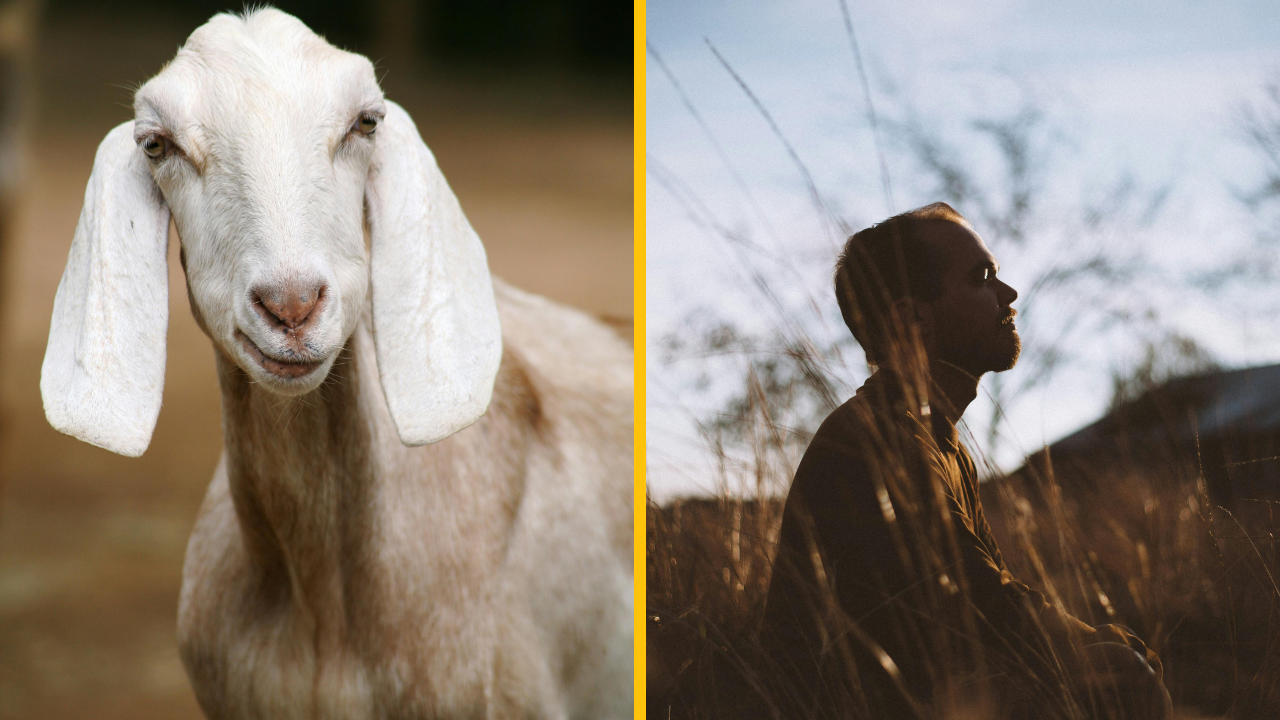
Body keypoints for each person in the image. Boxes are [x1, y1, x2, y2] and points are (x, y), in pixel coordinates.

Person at [759, 203, 1171, 719]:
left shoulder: (939, 440)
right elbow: (981, 605)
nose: (1009, 294)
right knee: (1119, 677)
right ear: (913, 317)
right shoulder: (879, 441)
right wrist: (1097, 643)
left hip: (914, 695)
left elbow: (986, 600)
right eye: (983, 278)